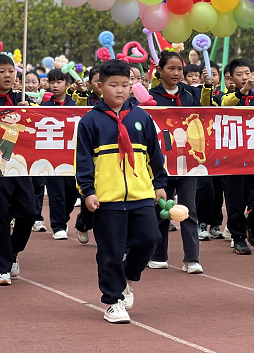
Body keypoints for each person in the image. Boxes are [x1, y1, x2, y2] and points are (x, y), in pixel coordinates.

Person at [74, 59, 167, 324]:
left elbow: (155, 154)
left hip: (141, 194)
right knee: (110, 251)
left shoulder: (142, 118)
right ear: (100, 86)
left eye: (125, 85)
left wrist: (160, 184)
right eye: (113, 85)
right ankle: (113, 301)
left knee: (150, 238)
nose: (120, 90)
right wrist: (88, 192)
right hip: (108, 198)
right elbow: (82, 161)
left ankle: (127, 276)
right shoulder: (90, 121)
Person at [0, 54, 39, 287]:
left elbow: (37, 127)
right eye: (1, 72)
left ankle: (13, 251)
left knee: (29, 212)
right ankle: (2, 268)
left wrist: (29, 112)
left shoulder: (24, 100)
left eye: (11, 71)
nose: (8, 75)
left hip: (21, 166)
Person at [148, 50, 211, 273]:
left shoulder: (188, 94)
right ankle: (158, 255)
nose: (176, 73)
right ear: (160, 70)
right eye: (171, 68)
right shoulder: (150, 97)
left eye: (180, 69)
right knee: (161, 209)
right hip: (161, 164)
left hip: (187, 163)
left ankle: (192, 259)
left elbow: (201, 120)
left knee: (188, 210)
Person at [220, 57, 254, 255]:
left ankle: (253, 222)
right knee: (236, 199)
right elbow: (225, 105)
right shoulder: (227, 97)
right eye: (239, 74)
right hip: (234, 158)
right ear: (231, 79)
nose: (244, 77)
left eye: (247, 73)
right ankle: (238, 237)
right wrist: (242, 91)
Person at [39, 68, 79, 240]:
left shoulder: (76, 106)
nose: (55, 85)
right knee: (56, 192)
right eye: (52, 82)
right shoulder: (44, 107)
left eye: (59, 82)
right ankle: (58, 226)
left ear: (67, 84)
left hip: (71, 157)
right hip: (51, 157)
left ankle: (64, 217)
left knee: (71, 192)